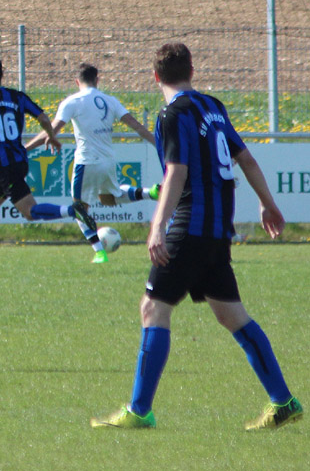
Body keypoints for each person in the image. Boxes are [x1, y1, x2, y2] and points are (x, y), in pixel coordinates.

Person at [91, 43, 301, 430]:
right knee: (232, 315)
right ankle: (283, 401)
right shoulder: (213, 107)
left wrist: (157, 225)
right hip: (217, 231)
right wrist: (267, 204)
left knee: (153, 308)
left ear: (155, 76)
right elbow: (246, 159)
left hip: (190, 226)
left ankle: (139, 410)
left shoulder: (172, 114)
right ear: (192, 71)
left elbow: (177, 172)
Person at [0, 52, 97, 270]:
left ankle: (73, 211)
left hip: (5, 167)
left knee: (30, 212)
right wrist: (51, 136)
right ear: (2, 73)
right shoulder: (17, 96)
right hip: (19, 160)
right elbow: (43, 117)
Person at [24, 63, 158, 264]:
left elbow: (53, 129)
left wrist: (25, 149)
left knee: (79, 208)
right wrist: (159, 145)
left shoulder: (72, 101)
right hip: (108, 161)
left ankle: (99, 251)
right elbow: (137, 126)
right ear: (97, 80)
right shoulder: (110, 100)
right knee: (109, 198)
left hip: (86, 162)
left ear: (77, 82)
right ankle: (151, 193)